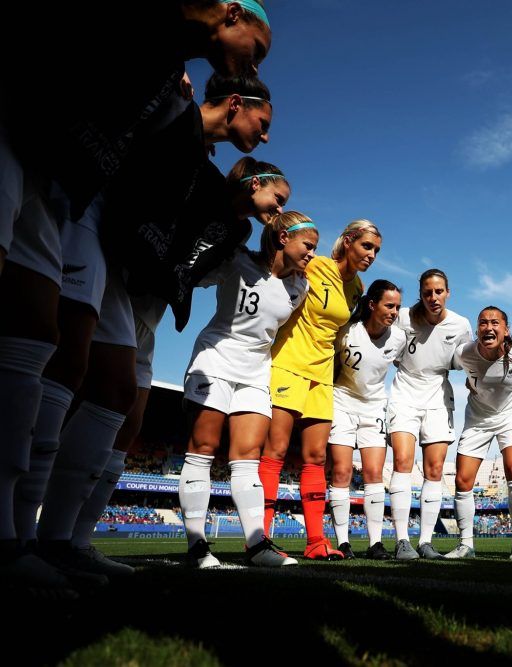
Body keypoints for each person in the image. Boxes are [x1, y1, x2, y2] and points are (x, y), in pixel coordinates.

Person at [0, 0, 272, 588]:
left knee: (98, 378)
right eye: (259, 47)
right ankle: (25, 536)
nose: (255, 64)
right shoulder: (165, 85)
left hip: (76, 202)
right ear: (230, 15)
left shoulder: (176, 107)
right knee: (53, 350)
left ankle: (46, 540)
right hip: (75, 203)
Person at [67, 157, 291, 576]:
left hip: (151, 314)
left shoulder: (241, 236)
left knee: (127, 423)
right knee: (87, 397)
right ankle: (43, 536)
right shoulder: (201, 190)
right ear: (256, 182)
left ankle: (74, 541)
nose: (277, 208)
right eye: (277, 198)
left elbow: (194, 271)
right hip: (123, 293)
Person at [178, 211, 316, 568]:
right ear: (284, 238)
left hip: (256, 372)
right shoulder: (236, 261)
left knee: (248, 458)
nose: (312, 254)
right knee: (203, 449)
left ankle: (256, 545)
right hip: (216, 360)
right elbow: (191, 274)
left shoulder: (300, 287)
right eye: (308, 246)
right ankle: (196, 545)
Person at [262, 220, 380, 560]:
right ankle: (260, 539)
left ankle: (316, 541)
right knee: (277, 451)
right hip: (288, 363)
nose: (371, 255)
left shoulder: (357, 287)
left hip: (322, 375)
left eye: (375, 251)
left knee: (316, 458)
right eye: (366, 247)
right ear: (347, 242)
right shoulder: (315, 266)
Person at [387, 269, 472, 560]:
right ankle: (401, 541)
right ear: (420, 294)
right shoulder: (404, 317)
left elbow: (469, 363)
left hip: (438, 393)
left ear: (448, 292)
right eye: (427, 292)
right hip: (405, 391)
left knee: (434, 470)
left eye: (438, 291)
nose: (433, 297)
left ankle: (424, 542)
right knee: (402, 462)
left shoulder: (461, 324)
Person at [445, 307, 512, 560]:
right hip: (478, 418)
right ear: (477, 329)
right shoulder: (464, 353)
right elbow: (465, 377)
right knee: (462, 480)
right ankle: (465, 544)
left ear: (506, 329)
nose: (489, 327)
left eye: (495, 322)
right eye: (483, 323)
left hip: (510, 416)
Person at [329, 280, 407, 560]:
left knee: (374, 475)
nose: (394, 311)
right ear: (372, 305)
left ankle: (375, 543)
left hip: (374, 407)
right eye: (389, 305)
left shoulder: (398, 338)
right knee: (341, 473)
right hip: (341, 402)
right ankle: (343, 542)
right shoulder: (347, 332)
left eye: (397, 306)